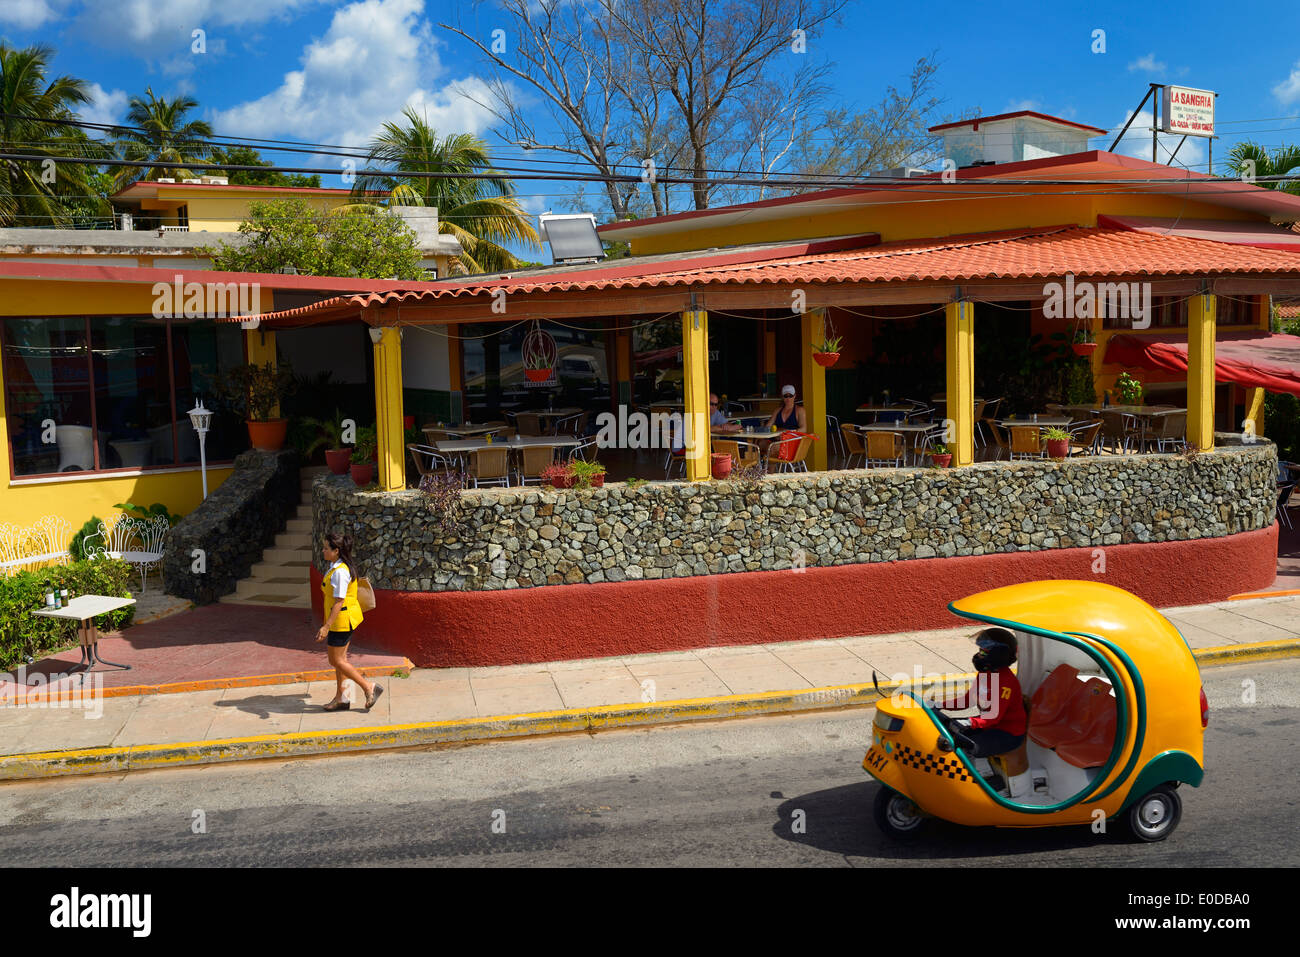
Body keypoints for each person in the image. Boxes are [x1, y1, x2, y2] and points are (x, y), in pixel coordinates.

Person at [934, 627, 1026, 769]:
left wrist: (967, 722)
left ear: (997, 654)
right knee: (943, 729)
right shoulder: (986, 673)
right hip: (988, 726)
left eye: (983, 652)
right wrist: (938, 704)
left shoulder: (1006, 682)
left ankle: (980, 778)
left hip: (1007, 734)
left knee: (961, 744)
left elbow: (992, 717)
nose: (978, 655)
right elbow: (968, 700)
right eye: (979, 651)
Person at [317, 532, 383, 712]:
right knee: (341, 660)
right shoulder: (337, 566)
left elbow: (339, 601)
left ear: (336, 551)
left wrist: (326, 626)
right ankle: (343, 698)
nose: (322, 551)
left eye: (325, 548)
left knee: (335, 660)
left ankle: (369, 687)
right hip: (343, 619)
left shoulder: (339, 573)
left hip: (341, 621)